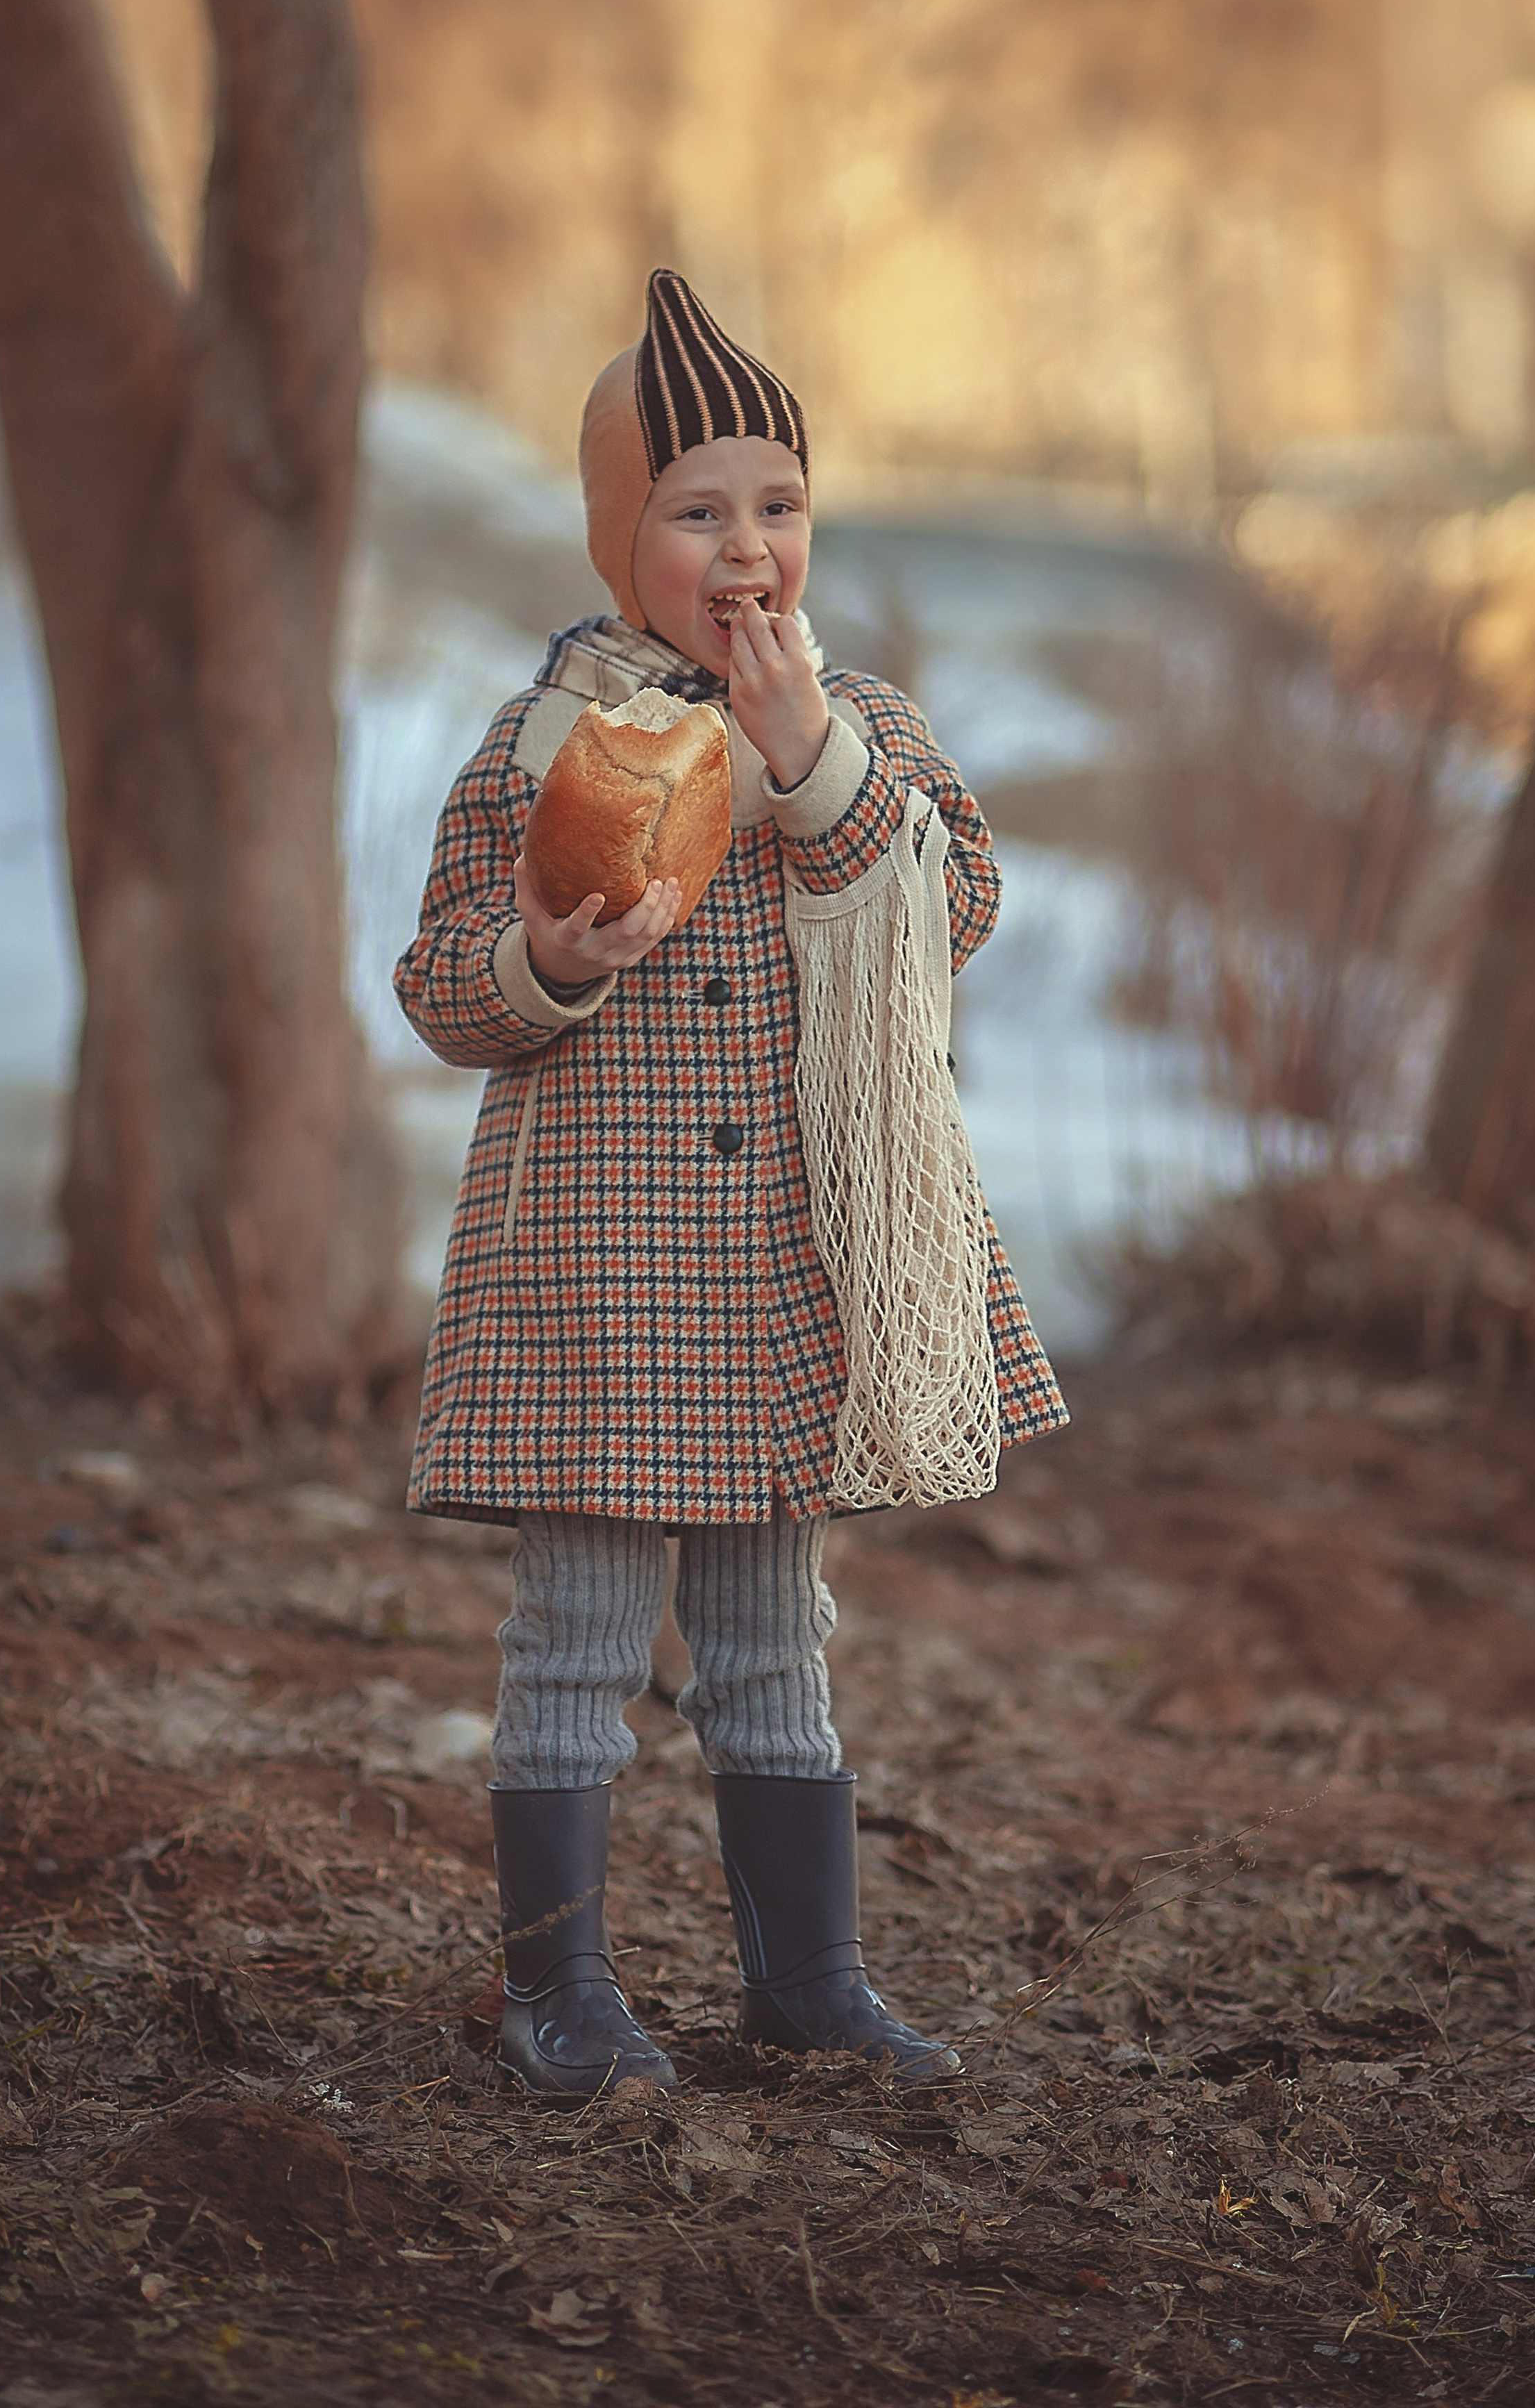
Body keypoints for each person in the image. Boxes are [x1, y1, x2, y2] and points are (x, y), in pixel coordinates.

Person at [395, 268, 1068, 2097]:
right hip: (600, 1275)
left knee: (776, 1641)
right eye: (698, 513)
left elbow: (954, 910)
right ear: (620, 542)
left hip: (786, 1268)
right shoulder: (545, 745)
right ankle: (560, 1992)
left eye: (781, 504)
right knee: (577, 1644)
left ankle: (809, 1984)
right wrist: (544, 957)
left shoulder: (863, 726)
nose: (749, 548)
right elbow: (441, 986)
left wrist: (808, 760)